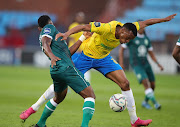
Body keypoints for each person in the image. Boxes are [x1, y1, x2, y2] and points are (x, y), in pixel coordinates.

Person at [20, 14, 176, 127]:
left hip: (104, 59)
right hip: (85, 56)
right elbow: (83, 27)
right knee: (61, 85)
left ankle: (134, 120)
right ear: (122, 30)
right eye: (126, 38)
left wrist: (164, 19)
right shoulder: (107, 28)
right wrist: (67, 33)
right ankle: (32, 108)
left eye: (129, 40)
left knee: (125, 83)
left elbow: (146, 22)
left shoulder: (131, 28)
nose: (126, 41)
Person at [31, 15, 96, 127]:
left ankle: (40, 124)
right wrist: (51, 56)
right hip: (66, 68)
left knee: (58, 98)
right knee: (90, 96)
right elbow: (45, 42)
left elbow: (67, 53)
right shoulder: (50, 28)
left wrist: (82, 37)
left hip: (56, 70)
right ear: (50, 22)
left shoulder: (52, 36)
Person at [119, 26, 164, 110]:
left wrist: (158, 64)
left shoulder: (146, 39)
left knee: (153, 85)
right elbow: (122, 49)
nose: (141, 28)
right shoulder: (132, 38)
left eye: (142, 27)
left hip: (146, 63)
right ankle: (156, 103)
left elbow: (151, 53)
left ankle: (145, 102)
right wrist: (121, 63)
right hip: (136, 64)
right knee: (145, 83)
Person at [68, 12, 91, 82]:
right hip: (74, 51)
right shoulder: (73, 26)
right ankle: (66, 85)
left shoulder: (84, 26)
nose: (80, 18)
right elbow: (72, 38)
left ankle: (87, 84)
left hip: (82, 52)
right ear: (76, 17)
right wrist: (77, 48)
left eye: (82, 17)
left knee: (84, 68)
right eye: (79, 17)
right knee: (71, 68)